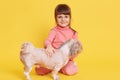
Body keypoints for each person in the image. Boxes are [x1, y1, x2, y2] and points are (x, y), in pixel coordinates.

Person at [35, 4, 80, 75]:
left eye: (66, 17)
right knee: (39, 71)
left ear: (70, 18)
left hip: (66, 60)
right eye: (60, 17)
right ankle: (55, 67)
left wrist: (71, 57)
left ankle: (66, 66)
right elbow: (47, 41)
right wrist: (48, 46)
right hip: (53, 58)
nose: (63, 20)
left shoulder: (73, 33)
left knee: (69, 71)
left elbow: (76, 49)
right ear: (56, 19)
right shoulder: (54, 31)